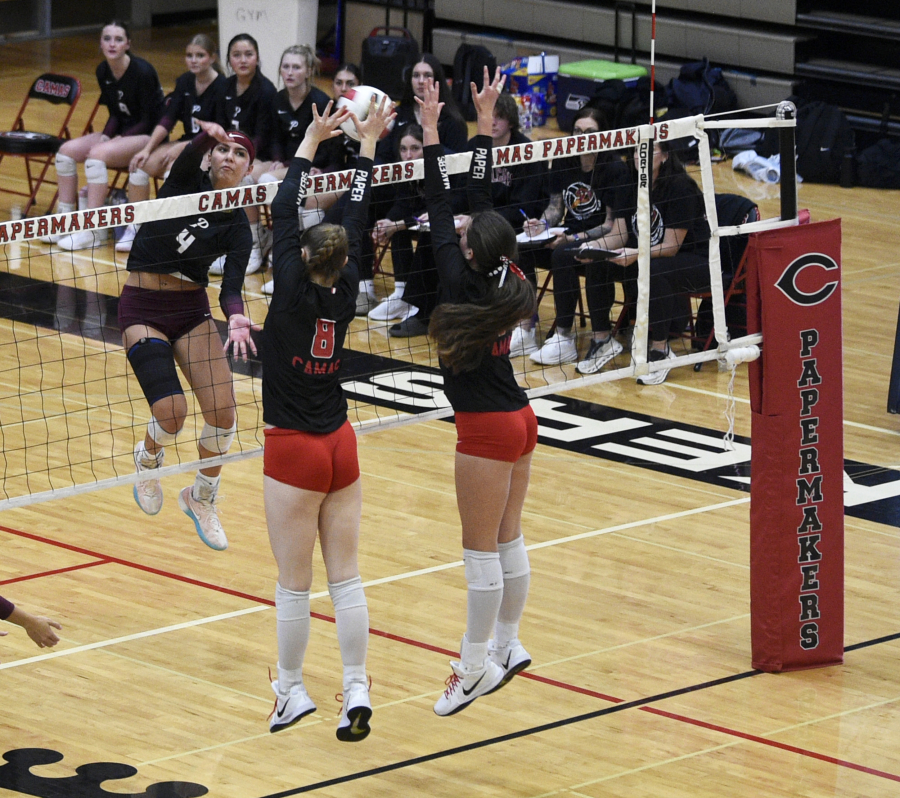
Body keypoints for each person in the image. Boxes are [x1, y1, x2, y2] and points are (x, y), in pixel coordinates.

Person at [262, 97, 394, 740]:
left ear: (303, 256)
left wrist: (312, 140)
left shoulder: (288, 286)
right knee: (346, 578)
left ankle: (290, 691)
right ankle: (357, 687)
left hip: (293, 448)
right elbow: (360, 217)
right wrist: (366, 146)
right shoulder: (346, 291)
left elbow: (284, 206)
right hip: (341, 443)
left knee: (294, 586)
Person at [419, 69, 537, 716]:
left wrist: (436, 128)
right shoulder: (510, 271)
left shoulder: (460, 283)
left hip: (489, 429)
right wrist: (484, 123)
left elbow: (444, 203)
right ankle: (509, 645)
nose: (458, 233)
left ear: (470, 251)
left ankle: (472, 669)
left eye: (463, 237)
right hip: (521, 419)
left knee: (480, 554)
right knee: (510, 541)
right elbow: (476, 204)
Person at [121, 119, 257, 551]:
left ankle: (201, 497)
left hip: (190, 309)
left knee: (223, 413)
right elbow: (186, 158)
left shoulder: (238, 227)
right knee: (172, 413)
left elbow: (232, 288)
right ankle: (148, 459)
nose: (229, 158)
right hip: (143, 305)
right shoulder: (184, 183)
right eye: (223, 150)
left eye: (239, 154)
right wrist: (206, 135)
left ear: (248, 170)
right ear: (210, 157)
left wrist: (235, 316)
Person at [574, 138, 710, 385]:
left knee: (655, 269)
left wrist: (636, 254)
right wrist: (593, 248)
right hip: (648, 256)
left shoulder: (681, 187)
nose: (640, 156)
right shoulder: (630, 183)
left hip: (695, 261)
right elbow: (619, 235)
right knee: (598, 263)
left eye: (648, 151)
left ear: (666, 156)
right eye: (637, 150)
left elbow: (671, 247)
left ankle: (660, 350)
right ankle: (602, 340)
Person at [41, 21, 165, 251]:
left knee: (96, 156)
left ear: (128, 44)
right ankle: (65, 221)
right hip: (123, 133)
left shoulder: (143, 71)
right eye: (107, 38)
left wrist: (117, 140)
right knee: (65, 152)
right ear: (100, 42)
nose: (112, 44)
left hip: (148, 138)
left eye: (118, 39)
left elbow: (150, 120)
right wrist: (107, 137)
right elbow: (115, 114)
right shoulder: (103, 70)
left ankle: (92, 230)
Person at [525, 107, 635, 363]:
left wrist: (573, 239)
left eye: (589, 132)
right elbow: (555, 209)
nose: (582, 137)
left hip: (601, 237)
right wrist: (540, 224)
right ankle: (525, 327)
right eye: (577, 131)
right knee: (522, 246)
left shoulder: (614, 169)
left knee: (564, 254)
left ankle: (564, 336)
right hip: (569, 234)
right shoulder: (565, 159)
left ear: (602, 135)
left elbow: (611, 226)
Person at [367, 54, 468, 323]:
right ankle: (390, 290)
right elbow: (399, 190)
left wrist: (401, 222)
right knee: (388, 218)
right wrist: (392, 220)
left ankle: (422, 302)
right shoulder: (400, 118)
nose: (409, 155)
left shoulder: (453, 126)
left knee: (412, 227)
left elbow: (457, 192)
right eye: (416, 75)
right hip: (415, 201)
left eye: (427, 75)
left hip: (450, 206)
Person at [117, 33, 227, 253]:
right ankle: (136, 227)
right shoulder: (185, 81)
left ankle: (171, 233)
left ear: (212, 58)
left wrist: (186, 148)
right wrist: (146, 150)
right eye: (189, 55)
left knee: (176, 172)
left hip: (213, 147)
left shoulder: (223, 86)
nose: (193, 60)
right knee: (138, 166)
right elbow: (167, 119)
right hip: (187, 142)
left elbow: (220, 132)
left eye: (200, 55)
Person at [261, 62, 363, 298]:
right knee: (298, 198)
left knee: (312, 203)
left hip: (354, 180)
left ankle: (304, 270)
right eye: (339, 83)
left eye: (350, 84)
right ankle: (290, 267)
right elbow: (330, 154)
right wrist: (320, 168)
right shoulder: (331, 112)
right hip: (333, 175)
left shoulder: (364, 113)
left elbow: (339, 160)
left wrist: (325, 169)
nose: (343, 88)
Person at [210, 33, 278, 275]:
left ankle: (253, 248)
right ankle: (219, 243)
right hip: (232, 152)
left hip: (260, 157)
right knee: (202, 173)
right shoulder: (224, 87)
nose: (243, 60)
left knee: (243, 178)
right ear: (229, 60)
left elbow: (261, 136)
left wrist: (237, 158)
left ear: (257, 58)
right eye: (236, 55)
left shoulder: (266, 90)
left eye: (248, 54)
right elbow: (218, 128)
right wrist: (217, 155)